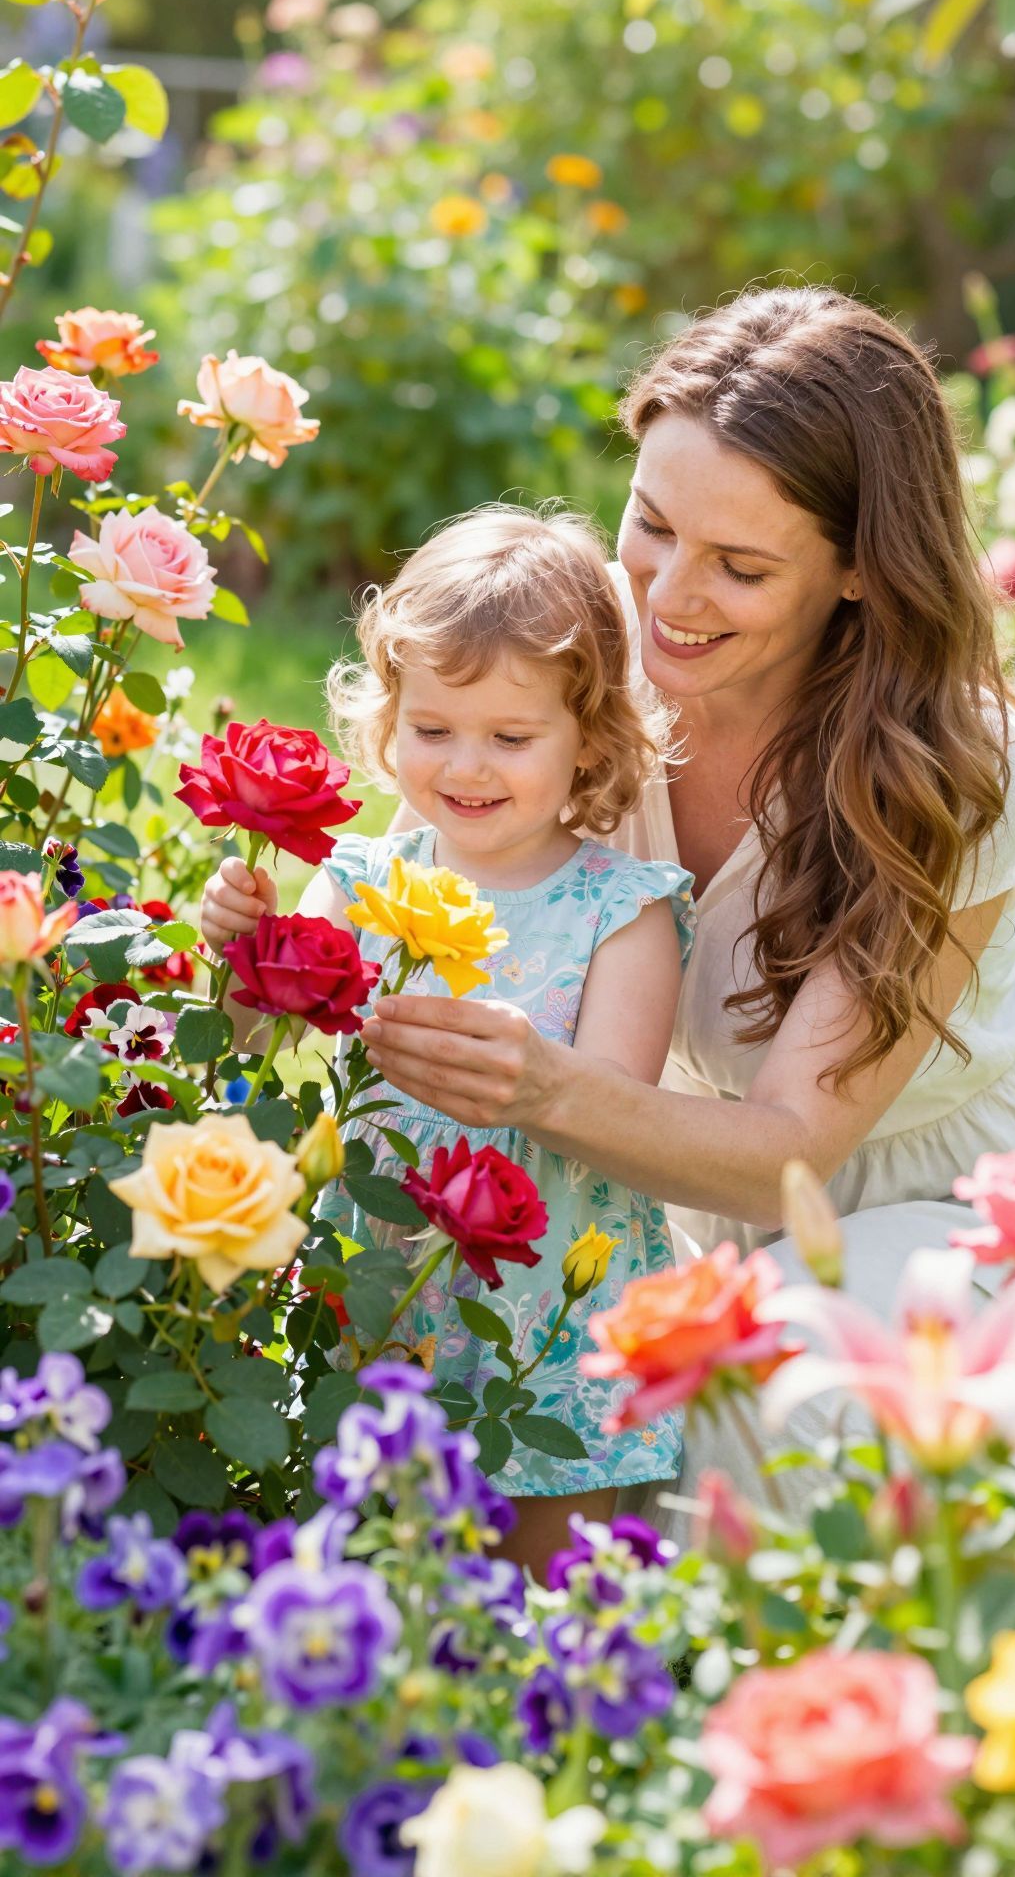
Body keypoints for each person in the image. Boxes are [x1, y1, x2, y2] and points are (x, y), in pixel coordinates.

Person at [358, 285, 1015, 1514]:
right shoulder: (583, 656)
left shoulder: (947, 766)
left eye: (742, 565)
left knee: (744, 1430)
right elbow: (409, 905)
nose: (669, 594)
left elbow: (790, 1154)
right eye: (652, 523)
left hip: (958, 1214)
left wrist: (542, 1087)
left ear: (861, 570)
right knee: (524, 1418)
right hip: (697, 1197)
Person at [200, 508, 695, 1574]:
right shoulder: (361, 880)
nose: (467, 767)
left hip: (547, 1307)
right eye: (432, 730)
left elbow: (616, 1110)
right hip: (380, 1282)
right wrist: (237, 951)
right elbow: (247, 1032)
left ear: (589, 740)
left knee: (543, 1583)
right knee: (369, 1554)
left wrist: (529, 1076)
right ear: (389, 718)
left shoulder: (623, 911)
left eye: (511, 739)